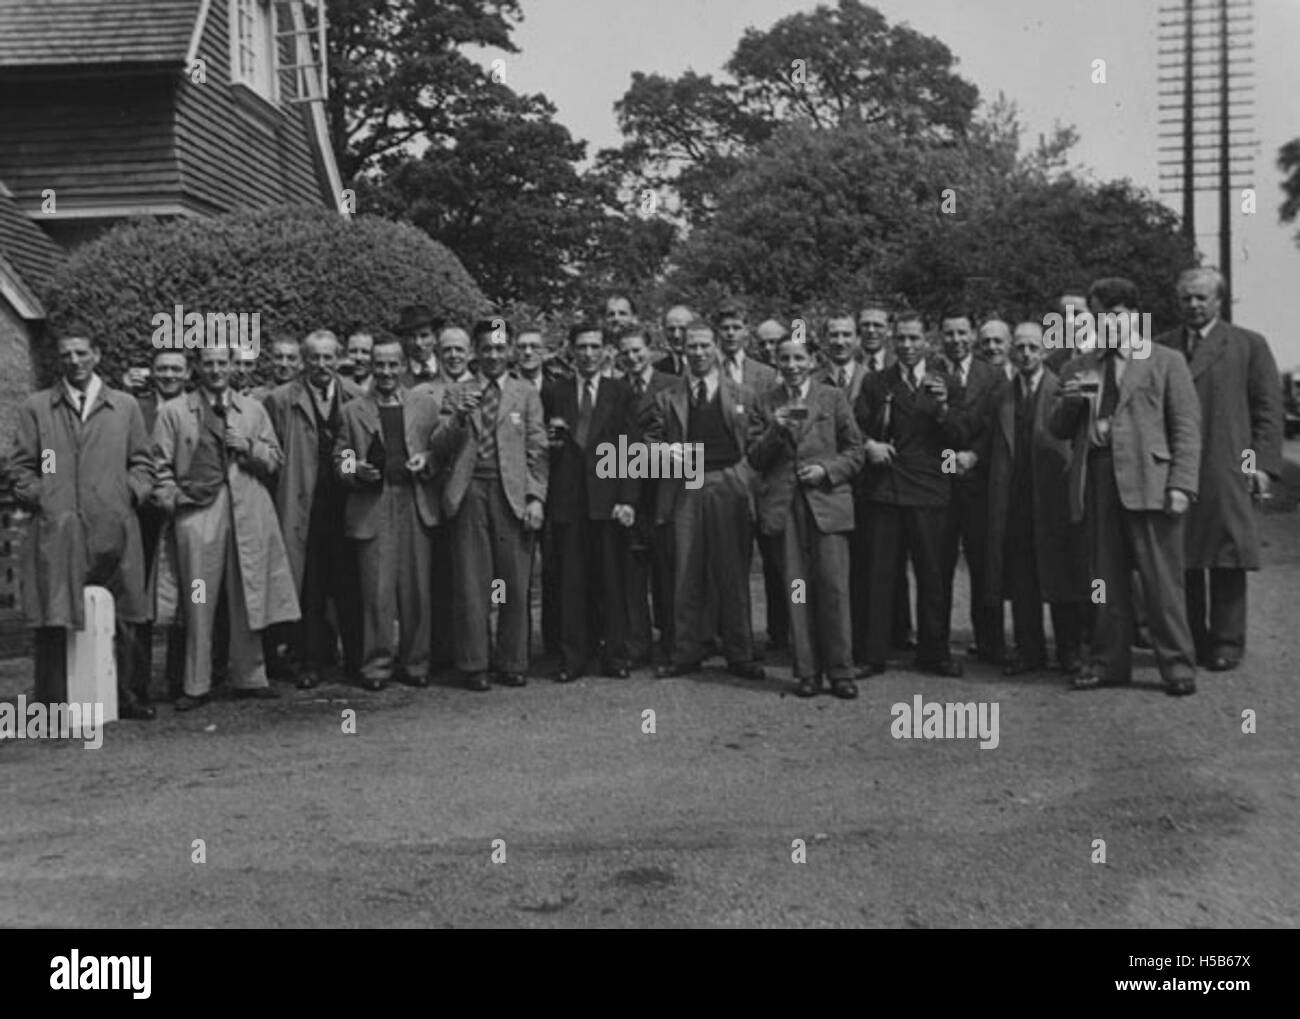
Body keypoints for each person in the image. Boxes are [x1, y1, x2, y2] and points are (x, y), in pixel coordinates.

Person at [1049, 277, 1201, 695]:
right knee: (1104, 581)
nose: (1108, 323)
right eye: (1101, 316)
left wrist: (1181, 485)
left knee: (1162, 580)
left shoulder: (1165, 360)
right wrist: (1072, 402)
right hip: (1097, 480)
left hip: (1151, 480)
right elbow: (1057, 428)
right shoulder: (1080, 366)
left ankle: (1177, 666)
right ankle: (1107, 663)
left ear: (1135, 316)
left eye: (1116, 315)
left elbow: (1186, 429)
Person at [10, 333, 156, 719]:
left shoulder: (123, 407)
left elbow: (142, 461)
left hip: (114, 520)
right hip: (60, 525)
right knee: (55, 611)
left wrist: (129, 493)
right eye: (66, 354)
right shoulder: (37, 408)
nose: (74, 360)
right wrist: (43, 492)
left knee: (127, 610)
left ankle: (128, 696)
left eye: (81, 353)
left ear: (97, 355)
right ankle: (55, 703)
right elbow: (23, 465)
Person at [152, 345, 300, 710]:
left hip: (248, 510)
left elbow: (275, 460)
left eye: (223, 363)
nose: (216, 369)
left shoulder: (252, 410)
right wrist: (175, 500)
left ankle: (250, 676)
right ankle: (196, 682)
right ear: (196, 369)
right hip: (199, 516)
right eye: (208, 363)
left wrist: (248, 447)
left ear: (234, 367)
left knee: (247, 592)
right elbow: (158, 467)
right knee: (198, 597)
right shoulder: (175, 412)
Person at [1157, 267, 1284, 671]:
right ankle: (1191, 637)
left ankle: (1228, 642)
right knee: (1183, 556)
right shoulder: (1161, 347)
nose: (1193, 305)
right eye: (1186, 298)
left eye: (1201, 298)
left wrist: (1260, 467)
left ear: (1218, 301)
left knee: (1227, 555)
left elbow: (1267, 412)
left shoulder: (1248, 345)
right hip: (1177, 466)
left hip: (1227, 465)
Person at [430, 319, 548, 691]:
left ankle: (512, 661)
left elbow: (538, 449)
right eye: (487, 349)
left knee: (513, 580)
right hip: (469, 492)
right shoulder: (457, 392)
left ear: (509, 350)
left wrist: (535, 497)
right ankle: (474, 663)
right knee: (472, 580)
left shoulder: (525, 393)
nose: (494, 356)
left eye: (500, 349)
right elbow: (439, 445)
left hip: (510, 492)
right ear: (475, 353)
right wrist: (461, 416)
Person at [748, 334, 864, 698]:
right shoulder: (765, 402)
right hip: (786, 508)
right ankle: (807, 672)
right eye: (785, 359)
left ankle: (841, 671)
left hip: (827, 503)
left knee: (833, 587)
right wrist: (775, 429)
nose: (792, 365)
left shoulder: (833, 397)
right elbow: (754, 458)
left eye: (799, 358)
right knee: (796, 590)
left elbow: (855, 451)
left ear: (813, 360)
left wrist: (826, 471)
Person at [648, 319, 765, 680]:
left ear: (716, 348)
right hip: (686, 484)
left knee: (732, 571)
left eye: (703, 346)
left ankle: (740, 652)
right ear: (683, 352)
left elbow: (760, 442)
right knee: (686, 570)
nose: (697, 353)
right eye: (691, 347)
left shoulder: (743, 394)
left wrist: (742, 478)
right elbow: (647, 441)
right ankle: (686, 652)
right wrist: (667, 453)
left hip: (729, 483)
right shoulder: (668, 397)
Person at [854, 312, 967, 677]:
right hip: (885, 490)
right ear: (891, 340)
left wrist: (944, 410)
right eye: (900, 338)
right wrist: (870, 444)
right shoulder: (875, 381)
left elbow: (962, 437)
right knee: (878, 575)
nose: (906, 345)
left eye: (914, 338)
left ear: (926, 342)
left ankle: (934, 653)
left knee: (934, 576)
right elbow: (854, 428)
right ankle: (873, 654)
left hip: (930, 491)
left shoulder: (946, 381)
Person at [335, 338, 441, 689]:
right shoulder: (352, 410)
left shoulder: (424, 405)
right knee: (377, 591)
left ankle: (416, 663)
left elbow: (438, 450)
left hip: (413, 499)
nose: (385, 372)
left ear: (402, 365)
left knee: (416, 589)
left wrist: (427, 459)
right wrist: (355, 469)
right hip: (373, 503)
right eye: (379, 364)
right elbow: (340, 456)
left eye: (392, 364)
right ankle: (376, 666)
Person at [264, 330, 366, 688]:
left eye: (328, 358)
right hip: (304, 504)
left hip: (347, 502)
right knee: (309, 586)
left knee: (350, 587)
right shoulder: (280, 399)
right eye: (314, 358)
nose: (321, 365)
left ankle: (357, 662)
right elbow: (273, 453)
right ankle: (309, 661)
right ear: (304, 361)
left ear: (337, 358)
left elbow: (358, 446)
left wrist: (353, 470)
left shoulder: (355, 395)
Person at [981, 322, 1083, 675]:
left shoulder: (1061, 389)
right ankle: (1030, 651)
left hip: (1052, 497)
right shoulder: (1003, 395)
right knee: (1022, 579)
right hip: (1015, 499)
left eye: (1032, 347)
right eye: (1020, 347)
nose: (1025, 354)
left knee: (1060, 577)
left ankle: (1069, 651)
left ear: (1044, 351)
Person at [543, 323, 640, 681]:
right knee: (571, 583)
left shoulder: (621, 391)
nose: (587, 353)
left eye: (594, 346)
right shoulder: (555, 392)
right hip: (569, 500)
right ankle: (573, 658)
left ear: (605, 352)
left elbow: (630, 449)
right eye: (581, 347)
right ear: (570, 350)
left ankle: (615, 656)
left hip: (608, 499)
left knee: (613, 583)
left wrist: (627, 499)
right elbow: (545, 447)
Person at [938, 311, 1003, 665]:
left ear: (972, 335)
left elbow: (997, 426)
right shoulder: (932, 373)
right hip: (942, 485)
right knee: (939, 565)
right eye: (949, 333)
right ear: (940, 337)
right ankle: (937, 642)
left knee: (983, 564)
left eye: (963, 333)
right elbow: (928, 430)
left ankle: (989, 640)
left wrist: (974, 456)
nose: (956, 339)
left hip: (979, 483)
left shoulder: (993, 376)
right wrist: (953, 459)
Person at [618, 326, 677, 664]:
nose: (632, 357)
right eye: (625, 352)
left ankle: (673, 646)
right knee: (632, 573)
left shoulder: (673, 385)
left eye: (637, 351)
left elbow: (685, 442)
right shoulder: (614, 389)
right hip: (628, 489)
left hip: (665, 489)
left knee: (668, 571)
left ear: (650, 350)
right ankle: (637, 646)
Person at [133, 349, 190, 696]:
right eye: (162, 368)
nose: (169, 375)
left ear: (187, 374)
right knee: (141, 597)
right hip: (143, 514)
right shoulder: (136, 408)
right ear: (152, 372)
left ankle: (179, 676)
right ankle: (137, 680)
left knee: (186, 596)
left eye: (176, 369)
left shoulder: (197, 408)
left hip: (185, 509)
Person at [717, 304, 777, 390]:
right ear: (717, 331)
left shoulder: (766, 374)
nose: (730, 333)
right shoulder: (705, 368)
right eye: (725, 328)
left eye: (736, 328)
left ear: (746, 331)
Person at [395, 304, 440, 384]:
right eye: (412, 337)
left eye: (424, 336)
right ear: (404, 340)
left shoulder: (449, 370)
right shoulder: (396, 376)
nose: (418, 343)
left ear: (435, 338)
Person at [656, 304, 693, 376]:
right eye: (671, 329)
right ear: (664, 331)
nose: (676, 335)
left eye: (683, 329)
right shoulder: (657, 370)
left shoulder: (713, 367)